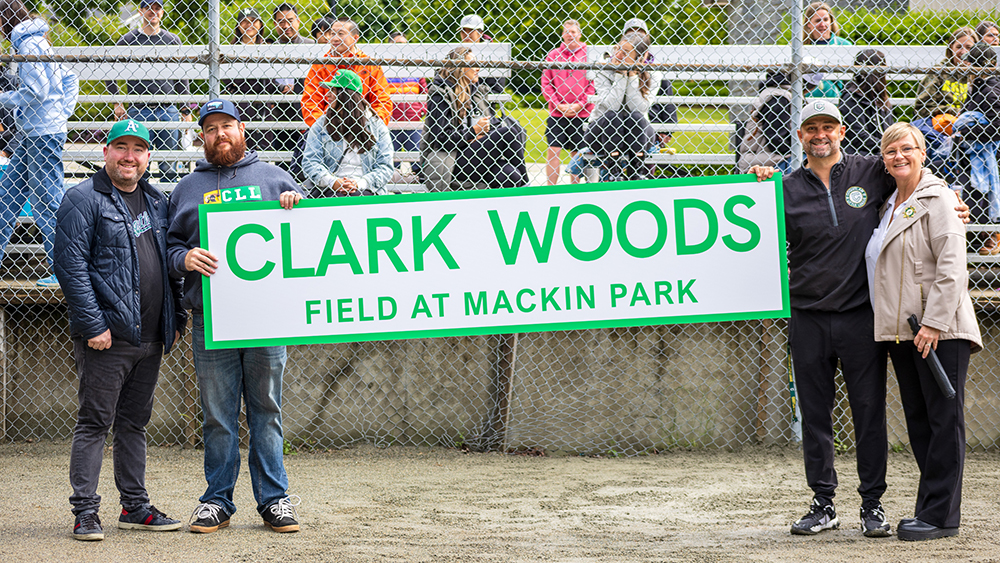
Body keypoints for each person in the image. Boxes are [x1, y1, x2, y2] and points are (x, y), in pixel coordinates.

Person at [748, 101, 969, 539]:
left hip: (861, 318)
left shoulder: (871, 171)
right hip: (807, 316)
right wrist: (757, 181)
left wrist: (953, 198)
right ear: (800, 136)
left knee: (869, 413)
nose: (820, 134)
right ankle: (824, 503)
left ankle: (873, 505)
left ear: (842, 131)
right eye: (811, 128)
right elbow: (747, 229)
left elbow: (917, 177)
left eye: (828, 126)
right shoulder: (783, 189)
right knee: (815, 414)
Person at [166, 99, 304, 534]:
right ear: (201, 136)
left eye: (227, 125)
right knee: (218, 414)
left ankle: (274, 500)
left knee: (266, 408)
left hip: (266, 315)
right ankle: (217, 502)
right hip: (211, 316)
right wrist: (184, 258)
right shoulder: (186, 188)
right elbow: (168, 248)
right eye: (211, 128)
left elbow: (310, 238)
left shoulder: (274, 176)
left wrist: (297, 207)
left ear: (242, 130)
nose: (219, 133)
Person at [54, 119, 186, 542]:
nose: (130, 156)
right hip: (106, 337)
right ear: (106, 152)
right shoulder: (82, 198)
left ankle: (135, 506)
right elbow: (70, 266)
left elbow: (168, 265)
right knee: (95, 422)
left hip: (149, 337)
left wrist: (176, 321)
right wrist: (94, 324)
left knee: (134, 424)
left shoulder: (156, 201)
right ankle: (85, 513)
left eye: (139, 149)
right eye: (121, 148)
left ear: (149, 156)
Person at [866, 122, 982, 541]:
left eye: (907, 149)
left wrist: (933, 323)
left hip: (938, 331)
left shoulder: (939, 200)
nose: (899, 156)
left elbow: (953, 268)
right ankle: (930, 508)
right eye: (891, 151)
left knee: (944, 420)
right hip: (901, 332)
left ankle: (941, 517)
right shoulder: (887, 205)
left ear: (923, 152)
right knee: (920, 421)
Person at [0, 0, 78, 287]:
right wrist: (61, 112)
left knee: (47, 202)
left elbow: (36, 91)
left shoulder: (29, 45)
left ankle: (64, 271)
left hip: (41, 133)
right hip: (35, 133)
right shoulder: (35, 41)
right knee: (6, 198)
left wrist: (3, 99)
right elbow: (70, 79)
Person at [108, 0, 192, 183]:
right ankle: (139, 206)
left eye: (157, 8)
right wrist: (117, 102)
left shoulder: (172, 40)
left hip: (168, 109)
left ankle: (168, 205)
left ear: (162, 12)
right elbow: (110, 70)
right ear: (141, 10)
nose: (153, 12)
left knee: (169, 165)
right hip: (139, 109)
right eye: (148, 8)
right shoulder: (128, 40)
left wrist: (185, 109)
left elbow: (182, 76)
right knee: (139, 164)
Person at [421, 46, 526, 191]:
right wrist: (474, 131)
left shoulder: (474, 92)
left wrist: (482, 133)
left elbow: (491, 119)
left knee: (510, 174)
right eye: (472, 65)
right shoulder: (440, 93)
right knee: (510, 133)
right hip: (451, 159)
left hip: (474, 153)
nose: (477, 68)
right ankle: (529, 190)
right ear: (459, 68)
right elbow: (442, 140)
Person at [583, 31, 661, 181]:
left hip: (638, 136)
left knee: (636, 116)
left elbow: (637, 108)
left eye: (625, 52)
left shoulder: (654, 74)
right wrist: (621, 74)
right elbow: (613, 105)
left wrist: (632, 76)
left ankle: (636, 170)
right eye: (617, 48)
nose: (618, 54)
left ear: (641, 56)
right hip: (603, 134)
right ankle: (613, 170)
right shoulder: (603, 68)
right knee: (614, 116)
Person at [302, 70, 394, 196]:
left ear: (345, 94)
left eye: (332, 90)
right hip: (329, 188)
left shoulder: (376, 125)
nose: (327, 95)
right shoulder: (321, 124)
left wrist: (360, 184)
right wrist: (333, 182)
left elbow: (385, 167)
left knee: (359, 198)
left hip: (367, 188)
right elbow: (310, 162)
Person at [301, 17, 392, 128]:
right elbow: (310, 102)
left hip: (363, 127)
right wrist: (324, 127)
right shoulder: (320, 66)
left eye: (341, 34)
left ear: (355, 38)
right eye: (332, 33)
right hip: (328, 128)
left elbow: (382, 101)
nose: (334, 38)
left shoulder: (369, 65)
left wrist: (371, 126)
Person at [955, 43, 1000, 255]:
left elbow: (997, 125)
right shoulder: (980, 87)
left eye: (971, 64)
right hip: (973, 150)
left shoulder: (990, 89)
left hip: (987, 152)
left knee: (977, 188)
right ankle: (982, 234)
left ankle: (992, 234)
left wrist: (967, 132)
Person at [541, 19, 594, 185]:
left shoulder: (589, 54)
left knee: (577, 153)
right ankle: (551, 188)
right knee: (553, 150)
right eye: (566, 31)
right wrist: (558, 105)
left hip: (583, 112)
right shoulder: (553, 55)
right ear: (562, 35)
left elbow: (593, 84)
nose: (570, 34)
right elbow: (546, 83)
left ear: (579, 34)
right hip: (558, 112)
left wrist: (579, 105)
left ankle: (575, 188)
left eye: (573, 31)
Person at [270, 3, 314, 179]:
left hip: (306, 109)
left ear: (298, 21)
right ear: (275, 24)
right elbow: (265, 80)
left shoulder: (310, 45)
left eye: (290, 20)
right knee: (282, 163)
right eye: (281, 22)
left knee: (307, 160)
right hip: (279, 112)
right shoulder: (270, 48)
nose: (286, 26)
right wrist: (280, 88)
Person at [224, 8, 274, 152]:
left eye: (253, 21)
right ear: (238, 26)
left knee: (264, 149)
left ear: (260, 25)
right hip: (240, 104)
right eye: (244, 21)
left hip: (263, 105)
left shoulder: (267, 48)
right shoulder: (231, 49)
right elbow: (229, 80)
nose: (249, 25)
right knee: (240, 148)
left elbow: (271, 79)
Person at [383, 30, 427, 174]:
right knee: (391, 162)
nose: (401, 47)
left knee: (418, 161)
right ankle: (395, 194)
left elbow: (424, 92)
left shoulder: (415, 68)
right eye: (397, 44)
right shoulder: (384, 69)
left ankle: (417, 192)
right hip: (391, 122)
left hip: (414, 122)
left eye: (403, 44)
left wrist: (421, 110)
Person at [839, 49, 895, 157]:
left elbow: (890, 130)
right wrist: (890, 146)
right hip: (860, 156)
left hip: (880, 152)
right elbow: (859, 137)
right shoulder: (851, 98)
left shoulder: (880, 98)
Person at [913, 27, 977, 121]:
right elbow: (923, 107)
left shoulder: (979, 73)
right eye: (959, 47)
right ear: (951, 48)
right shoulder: (939, 71)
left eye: (969, 47)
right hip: (940, 125)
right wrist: (955, 112)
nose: (964, 52)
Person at [802, 2, 851, 99]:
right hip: (806, 100)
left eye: (826, 19)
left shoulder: (845, 45)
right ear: (808, 23)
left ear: (831, 22)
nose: (822, 24)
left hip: (838, 100)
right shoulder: (800, 47)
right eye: (817, 20)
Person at [459, 15, 506, 99]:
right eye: (463, 31)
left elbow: (497, 88)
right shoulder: (456, 53)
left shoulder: (492, 53)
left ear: (480, 33)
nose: (466, 34)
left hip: (483, 103)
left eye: (470, 31)